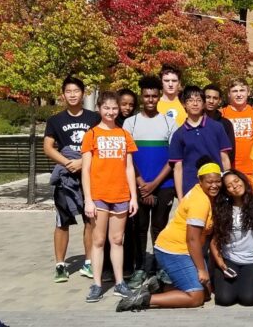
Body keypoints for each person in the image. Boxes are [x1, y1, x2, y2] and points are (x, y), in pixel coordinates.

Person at [115, 158, 221, 312]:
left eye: (218, 181)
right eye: (209, 182)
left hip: (185, 249)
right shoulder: (200, 202)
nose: (214, 185)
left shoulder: (205, 194)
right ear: (200, 181)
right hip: (174, 250)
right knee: (196, 297)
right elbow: (192, 239)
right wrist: (201, 269)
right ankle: (141, 299)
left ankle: (161, 285)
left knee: (206, 293)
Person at [80, 91, 139, 303]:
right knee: (98, 240)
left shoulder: (124, 135)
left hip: (121, 194)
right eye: (107, 108)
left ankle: (119, 282)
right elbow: (85, 170)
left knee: (117, 240)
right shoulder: (92, 135)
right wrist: (88, 199)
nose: (111, 112)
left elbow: (129, 168)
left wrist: (133, 197)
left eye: (114, 108)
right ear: (99, 108)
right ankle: (96, 284)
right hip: (99, 195)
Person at [121, 76, 177, 288]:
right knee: (139, 229)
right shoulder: (130, 122)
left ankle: (161, 266)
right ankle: (140, 268)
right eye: (147, 96)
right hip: (138, 186)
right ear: (141, 97)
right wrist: (141, 183)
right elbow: (128, 158)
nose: (151, 99)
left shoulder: (168, 122)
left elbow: (172, 159)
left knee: (160, 228)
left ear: (159, 97)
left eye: (154, 96)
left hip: (163, 186)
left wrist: (153, 185)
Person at [44, 76, 100, 283]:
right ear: (63, 95)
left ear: (83, 93)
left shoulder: (93, 118)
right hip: (65, 176)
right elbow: (48, 147)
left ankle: (88, 262)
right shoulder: (55, 120)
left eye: (76, 91)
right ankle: (60, 264)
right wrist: (68, 163)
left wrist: (83, 164)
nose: (73, 94)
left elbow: (98, 145)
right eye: (69, 91)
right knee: (62, 221)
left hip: (89, 175)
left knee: (90, 219)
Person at [209, 170, 253, 306]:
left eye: (236, 181)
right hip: (230, 258)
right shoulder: (222, 207)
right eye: (229, 185)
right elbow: (214, 241)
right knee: (224, 299)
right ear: (226, 191)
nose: (234, 186)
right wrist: (221, 264)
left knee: (248, 299)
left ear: (243, 180)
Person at [169, 86, 233, 196]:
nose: (195, 104)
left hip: (216, 186)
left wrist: (228, 186)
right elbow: (178, 169)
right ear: (184, 104)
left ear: (203, 104)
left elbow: (225, 159)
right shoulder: (179, 134)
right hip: (191, 188)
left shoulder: (217, 127)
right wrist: (180, 197)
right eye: (190, 100)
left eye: (198, 100)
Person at [222, 78, 253, 182]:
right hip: (230, 168)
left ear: (248, 92)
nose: (239, 94)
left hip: (252, 169)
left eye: (242, 90)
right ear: (229, 94)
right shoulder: (222, 114)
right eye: (234, 91)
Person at [204, 84, 237, 167]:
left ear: (219, 101)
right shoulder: (193, 122)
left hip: (218, 171)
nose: (211, 101)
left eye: (215, 98)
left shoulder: (225, 124)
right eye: (208, 97)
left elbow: (230, 153)